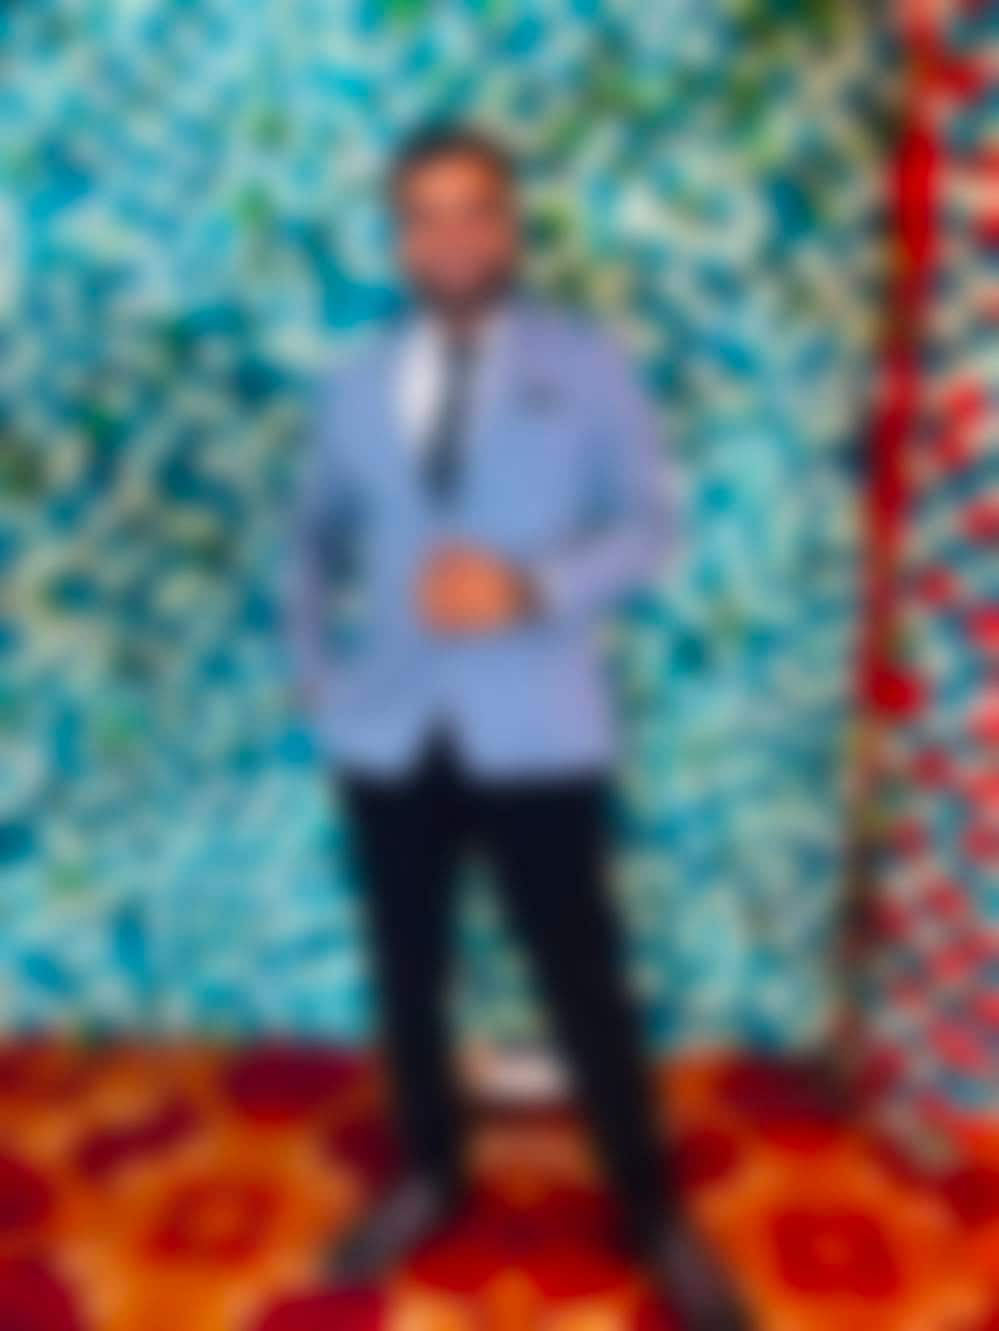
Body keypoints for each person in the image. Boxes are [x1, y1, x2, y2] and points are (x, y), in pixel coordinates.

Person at [286, 125, 749, 1330]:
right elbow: (310, 538)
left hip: (538, 728)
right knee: (408, 972)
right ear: (399, 238)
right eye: (424, 214)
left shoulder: (589, 366)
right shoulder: (351, 382)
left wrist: (530, 586)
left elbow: (647, 531)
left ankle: (651, 1208)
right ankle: (429, 1172)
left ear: (508, 223)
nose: (451, 235)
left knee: (582, 978)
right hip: (389, 735)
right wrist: (316, 674)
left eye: (473, 208)